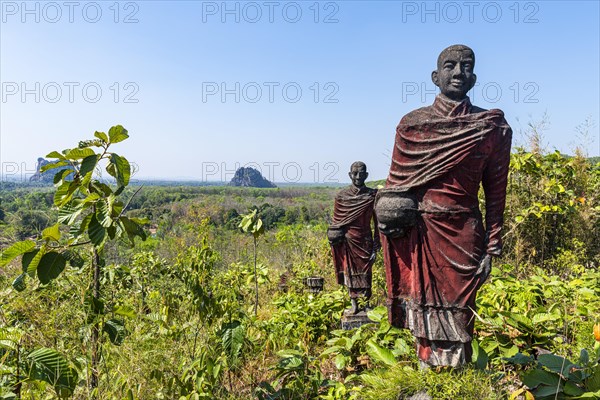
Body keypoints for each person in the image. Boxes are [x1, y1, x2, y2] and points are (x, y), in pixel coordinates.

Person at [376, 45, 512, 367]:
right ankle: (427, 370)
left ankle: (458, 375)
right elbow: (395, 187)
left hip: (465, 232)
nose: (458, 72)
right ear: (435, 77)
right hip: (422, 232)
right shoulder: (412, 126)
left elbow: (495, 193)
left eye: (466, 66)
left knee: (461, 310)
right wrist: (387, 216)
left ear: (474, 77)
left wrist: (492, 246)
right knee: (422, 304)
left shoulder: (491, 127)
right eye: (449, 66)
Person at [328, 162, 380, 314]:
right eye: (355, 173)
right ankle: (354, 305)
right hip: (348, 240)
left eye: (361, 173)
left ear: (366, 175)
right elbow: (336, 223)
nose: (358, 177)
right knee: (350, 272)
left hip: (365, 240)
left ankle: (367, 304)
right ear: (350, 175)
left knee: (366, 273)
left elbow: (378, 223)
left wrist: (376, 245)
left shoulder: (372, 195)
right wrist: (334, 237)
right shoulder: (342, 197)